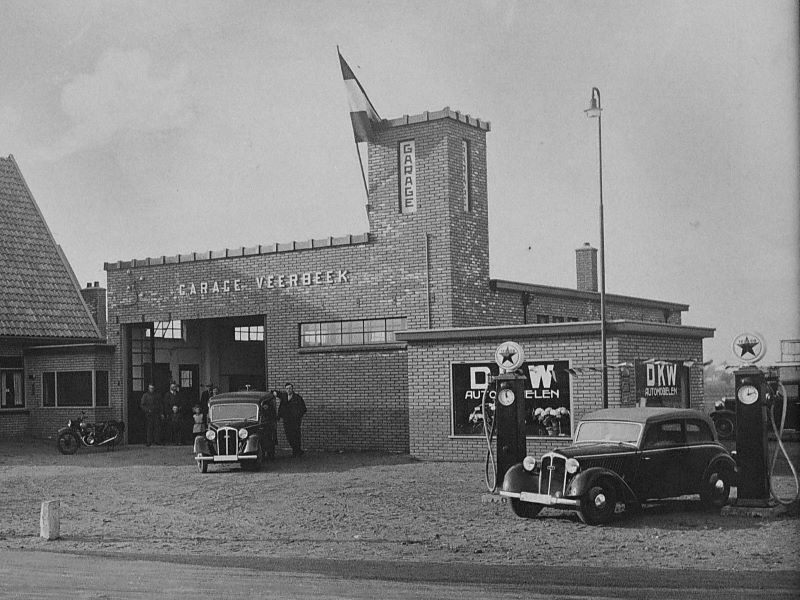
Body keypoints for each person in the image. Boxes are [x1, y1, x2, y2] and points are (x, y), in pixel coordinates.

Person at [278, 382, 306, 456]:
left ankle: (297, 451)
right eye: (287, 388)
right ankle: (295, 449)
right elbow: (278, 394)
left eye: (290, 388)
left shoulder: (297, 398)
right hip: (287, 420)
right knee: (289, 436)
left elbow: (303, 409)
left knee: (296, 435)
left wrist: (298, 416)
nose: (289, 390)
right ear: (285, 389)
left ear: (292, 389)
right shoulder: (284, 397)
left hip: (295, 421)